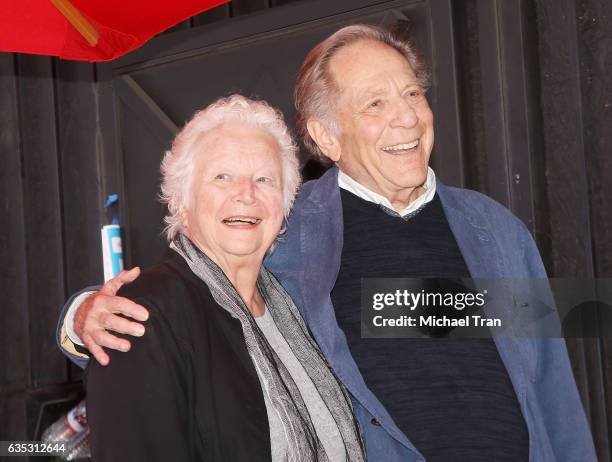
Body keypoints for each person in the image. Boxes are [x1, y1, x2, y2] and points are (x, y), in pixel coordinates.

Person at [58, 25, 597, 461]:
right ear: (325, 136)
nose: (407, 116)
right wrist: (81, 315)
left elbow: (553, 395)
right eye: (375, 104)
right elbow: (199, 284)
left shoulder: (497, 231)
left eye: (412, 93)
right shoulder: (288, 227)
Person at [81, 95, 365, 462]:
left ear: (285, 204)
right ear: (182, 200)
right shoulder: (140, 313)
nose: (245, 194)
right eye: (222, 177)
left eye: (264, 179)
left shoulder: (297, 302)